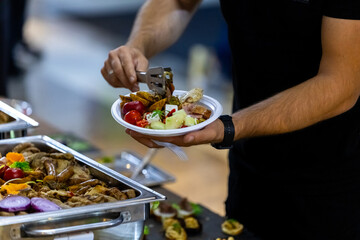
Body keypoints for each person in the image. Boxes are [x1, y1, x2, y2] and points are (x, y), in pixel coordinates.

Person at [101, 1, 360, 239]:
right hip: (249, 162)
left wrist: (228, 127)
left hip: (335, 178)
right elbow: (178, 3)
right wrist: (137, 47)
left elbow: (341, 84)